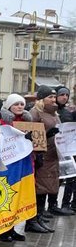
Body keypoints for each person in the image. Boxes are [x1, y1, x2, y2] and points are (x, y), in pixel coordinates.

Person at [1, 94, 44, 235]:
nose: (19, 107)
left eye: (21, 104)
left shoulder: (28, 122)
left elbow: (35, 143)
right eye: (16, 104)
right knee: (10, 197)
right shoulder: (3, 122)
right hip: (9, 164)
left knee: (21, 196)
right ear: (9, 106)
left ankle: (13, 228)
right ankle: (5, 229)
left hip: (25, 163)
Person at [29, 86, 63, 227]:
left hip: (53, 155)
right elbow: (32, 132)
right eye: (50, 97)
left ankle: (40, 216)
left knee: (47, 186)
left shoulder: (54, 114)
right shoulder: (35, 112)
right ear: (42, 98)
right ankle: (33, 219)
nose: (53, 99)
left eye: (54, 97)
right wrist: (48, 135)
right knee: (40, 187)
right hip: (42, 156)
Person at [54, 86, 75, 214]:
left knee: (71, 177)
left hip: (68, 149)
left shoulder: (68, 113)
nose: (65, 97)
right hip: (54, 150)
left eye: (67, 95)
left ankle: (66, 204)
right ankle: (53, 204)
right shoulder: (52, 111)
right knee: (57, 179)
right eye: (62, 94)